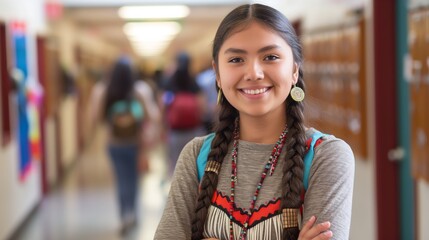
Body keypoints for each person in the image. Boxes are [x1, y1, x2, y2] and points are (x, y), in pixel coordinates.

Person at [154, 3, 354, 240]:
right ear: (217, 74)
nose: (254, 73)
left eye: (270, 57)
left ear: (294, 70)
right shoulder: (197, 155)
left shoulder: (326, 156)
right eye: (237, 59)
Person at [87, 56, 160, 235]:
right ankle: (133, 214)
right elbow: (152, 115)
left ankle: (123, 215)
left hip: (114, 143)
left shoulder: (102, 90)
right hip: (136, 143)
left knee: (121, 179)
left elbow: (95, 117)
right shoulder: (140, 90)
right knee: (133, 179)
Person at [162, 52, 206, 176]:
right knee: (194, 162)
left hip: (175, 130)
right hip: (194, 129)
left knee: (176, 161)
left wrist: (163, 126)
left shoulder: (170, 82)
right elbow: (201, 106)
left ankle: (177, 189)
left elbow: (163, 105)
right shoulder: (194, 82)